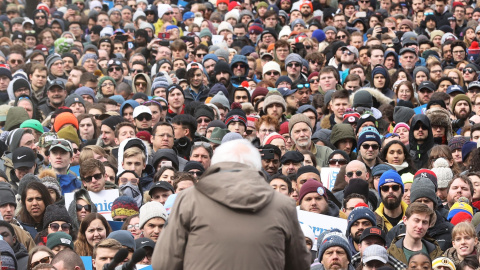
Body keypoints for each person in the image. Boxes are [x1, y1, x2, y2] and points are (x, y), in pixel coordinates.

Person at [152, 139, 310, 269]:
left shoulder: (188, 199)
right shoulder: (283, 205)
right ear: (257, 167)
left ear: (214, 165)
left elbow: (164, 263)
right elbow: (299, 264)